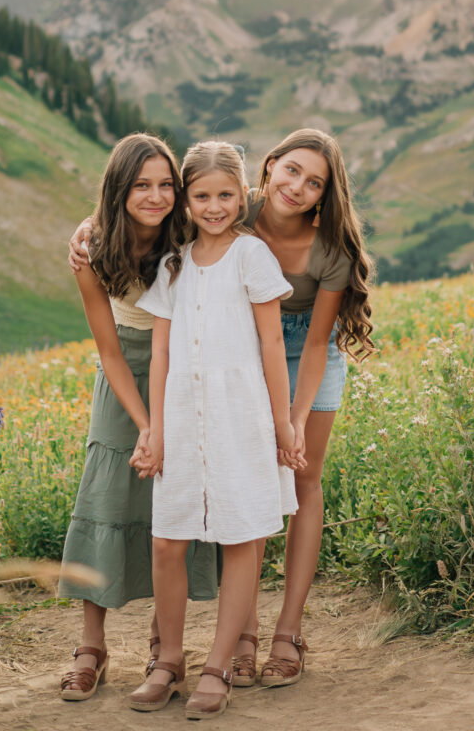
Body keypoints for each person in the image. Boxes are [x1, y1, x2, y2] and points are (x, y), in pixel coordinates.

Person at [127, 141, 305, 720]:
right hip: (181, 417)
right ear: (186, 199)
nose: (214, 206)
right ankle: (169, 659)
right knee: (167, 540)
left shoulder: (251, 257)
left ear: (243, 195)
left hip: (240, 418)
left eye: (226, 195)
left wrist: (283, 423)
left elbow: (274, 344)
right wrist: (152, 428)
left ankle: (220, 664)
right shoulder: (174, 265)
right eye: (201, 196)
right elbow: (159, 353)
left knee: (240, 538)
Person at [57, 133, 219, 703]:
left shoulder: (189, 229)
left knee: (171, 500)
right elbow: (107, 349)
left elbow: (233, 189)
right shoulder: (93, 250)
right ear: (119, 190)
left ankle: (162, 642)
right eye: (141, 186)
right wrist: (146, 424)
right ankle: (92, 644)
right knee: (107, 497)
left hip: (187, 368)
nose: (156, 196)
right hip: (124, 370)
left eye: (165, 185)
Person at [232, 128, 374, 689]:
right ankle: (241, 630)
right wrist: (87, 227)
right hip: (246, 348)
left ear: (324, 194)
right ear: (269, 166)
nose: (297, 187)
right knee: (250, 481)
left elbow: (317, 343)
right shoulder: (232, 208)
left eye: (314, 182)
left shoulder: (330, 249)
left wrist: (292, 416)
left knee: (303, 477)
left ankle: (288, 630)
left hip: (309, 353)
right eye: (291, 170)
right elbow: (157, 208)